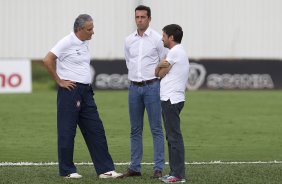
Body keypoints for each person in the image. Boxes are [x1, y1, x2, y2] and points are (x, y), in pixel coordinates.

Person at [43, 14, 122, 179]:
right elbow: (47, 60)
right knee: (67, 131)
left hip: (86, 92)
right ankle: (67, 171)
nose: (93, 32)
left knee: (96, 129)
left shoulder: (85, 42)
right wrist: (59, 81)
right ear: (79, 29)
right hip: (70, 92)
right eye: (89, 29)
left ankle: (106, 170)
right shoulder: (67, 41)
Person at [119, 5, 167, 179]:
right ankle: (135, 167)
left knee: (156, 128)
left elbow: (164, 62)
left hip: (152, 87)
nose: (140, 20)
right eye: (137, 17)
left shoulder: (156, 39)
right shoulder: (128, 40)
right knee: (135, 129)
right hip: (133, 88)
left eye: (143, 17)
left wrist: (156, 81)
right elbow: (128, 62)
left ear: (149, 19)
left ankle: (158, 168)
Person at [155, 24, 189, 183]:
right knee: (171, 136)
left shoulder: (175, 52)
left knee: (174, 137)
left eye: (163, 35)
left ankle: (178, 174)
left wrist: (159, 66)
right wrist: (159, 66)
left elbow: (160, 74)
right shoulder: (175, 52)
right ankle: (174, 172)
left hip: (171, 99)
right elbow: (159, 73)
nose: (162, 38)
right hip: (170, 98)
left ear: (171, 38)